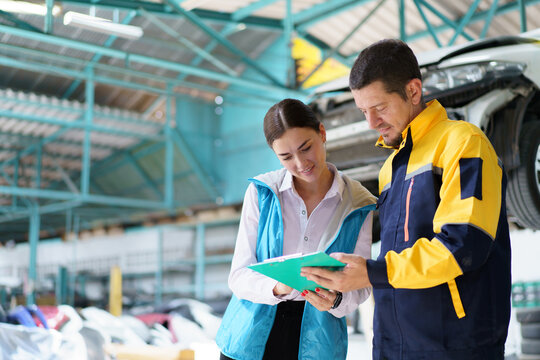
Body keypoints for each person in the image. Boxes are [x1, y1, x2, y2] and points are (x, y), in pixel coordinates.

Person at [301, 39, 512, 359]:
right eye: (363, 111)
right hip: (393, 345)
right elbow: (397, 261)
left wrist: (371, 272)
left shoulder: (463, 143)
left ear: (413, 91)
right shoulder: (390, 169)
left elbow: (463, 247)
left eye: (380, 107)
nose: (371, 123)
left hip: (455, 346)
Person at [215, 98, 377, 360]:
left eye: (306, 148)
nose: (301, 163)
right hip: (248, 338)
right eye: (286, 157)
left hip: (318, 341)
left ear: (322, 133)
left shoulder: (359, 203)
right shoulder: (261, 193)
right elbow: (238, 274)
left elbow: (361, 283)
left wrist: (336, 301)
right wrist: (277, 287)